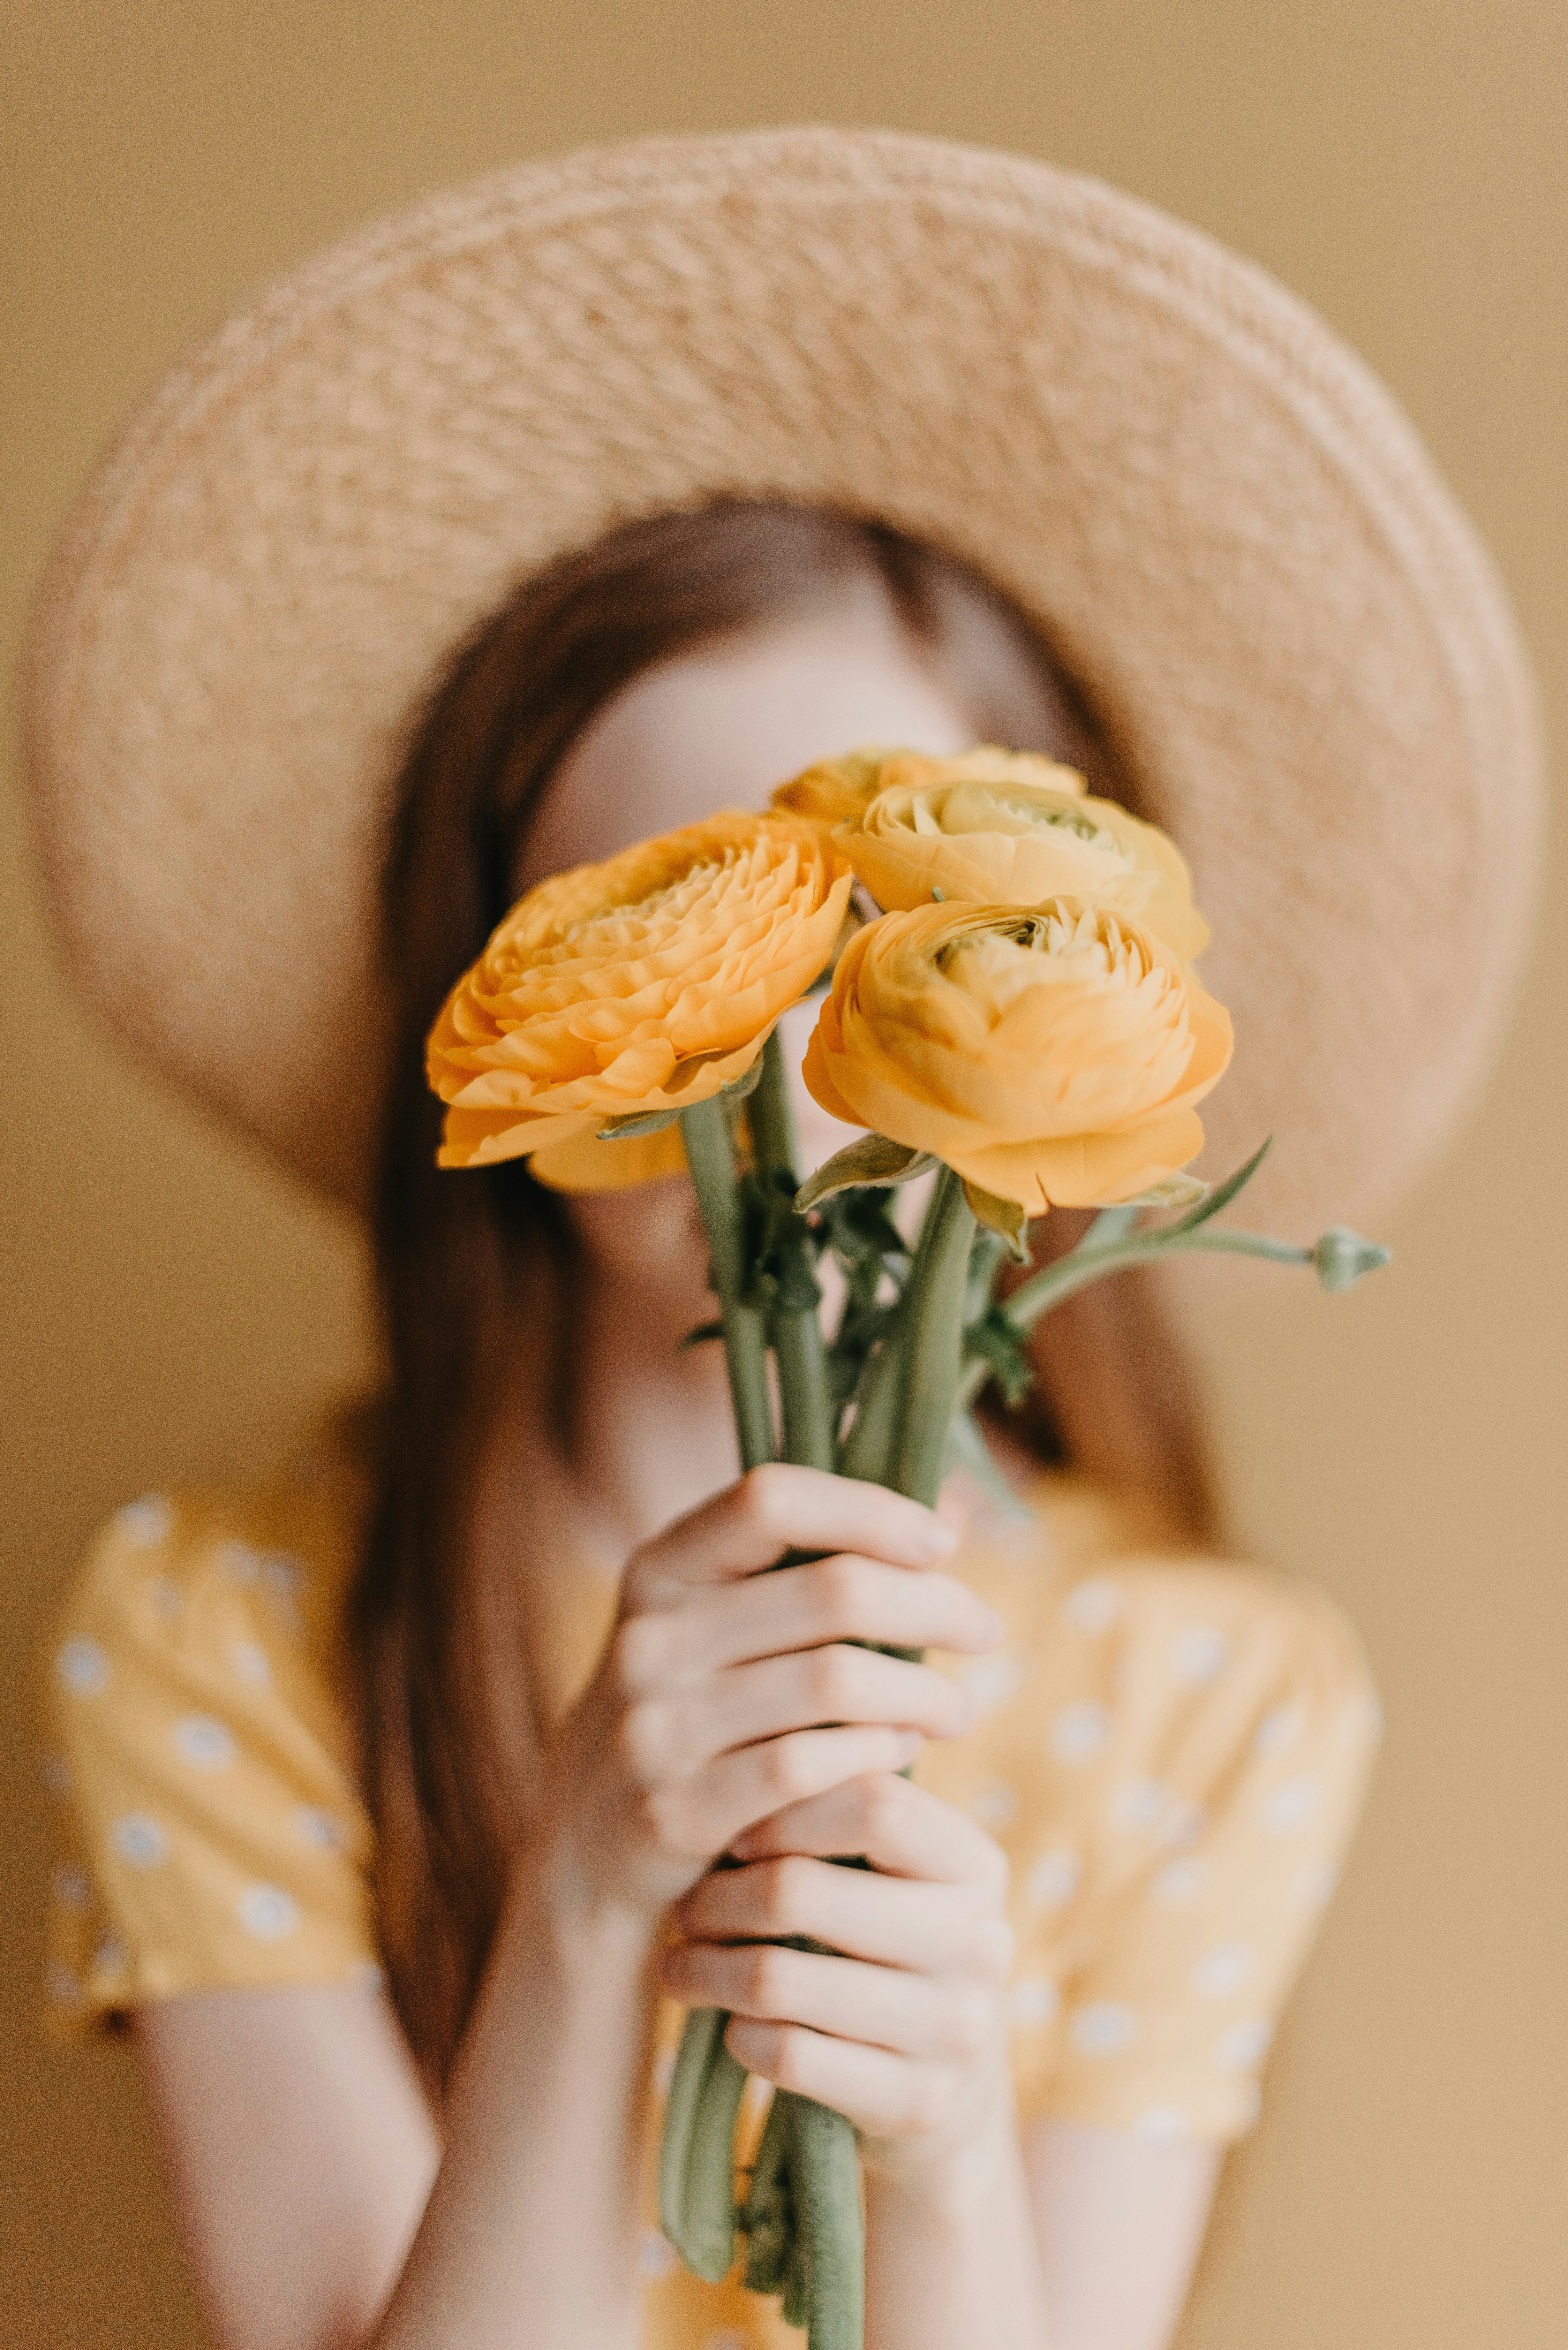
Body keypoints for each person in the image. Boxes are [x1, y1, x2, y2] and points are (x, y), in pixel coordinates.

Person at [27, 131, 1538, 2350]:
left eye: (893, 959)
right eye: (685, 954)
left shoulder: (1211, 1699)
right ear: (512, 1004)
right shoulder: (223, 1623)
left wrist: (938, 2158)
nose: (800, 1088)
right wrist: (578, 1903)